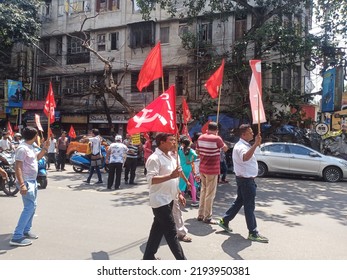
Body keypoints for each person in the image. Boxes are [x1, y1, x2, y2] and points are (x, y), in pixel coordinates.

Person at [218, 124, 269, 243]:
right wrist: (256, 144)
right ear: (243, 134)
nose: (252, 134)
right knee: (249, 206)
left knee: (239, 201)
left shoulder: (244, 145)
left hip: (245, 179)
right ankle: (253, 232)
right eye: (250, 132)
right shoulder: (240, 146)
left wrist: (255, 144)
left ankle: (225, 220)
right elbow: (245, 157)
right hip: (246, 180)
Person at [143, 132, 187, 260]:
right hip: (159, 200)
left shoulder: (171, 158)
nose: (175, 143)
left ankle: (148, 257)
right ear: (162, 142)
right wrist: (170, 176)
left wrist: (179, 193)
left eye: (175, 140)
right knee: (171, 232)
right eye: (172, 140)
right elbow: (151, 179)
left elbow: (174, 179)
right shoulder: (154, 158)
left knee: (157, 229)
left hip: (169, 198)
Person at [9, 126, 50, 246]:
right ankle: (17, 236)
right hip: (26, 181)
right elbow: (18, 167)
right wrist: (22, 184)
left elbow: (37, 158)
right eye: (37, 135)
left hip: (32, 180)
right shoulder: (22, 149)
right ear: (34, 136)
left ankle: (26, 230)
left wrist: (45, 148)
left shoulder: (30, 147)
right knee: (29, 208)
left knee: (33, 206)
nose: (37, 136)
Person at [196, 122, 228, 224]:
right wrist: (218, 138)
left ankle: (200, 214)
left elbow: (197, 151)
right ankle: (207, 217)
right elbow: (225, 148)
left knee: (203, 192)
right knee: (210, 194)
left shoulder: (200, 137)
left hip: (203, 168)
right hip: (212, 169)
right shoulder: (217, 138)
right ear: (216, 129)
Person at [178, 137, 198, 207]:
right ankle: (194, 200)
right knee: (192, 184)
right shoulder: (190, 150)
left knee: (182, 184)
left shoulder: (180, 150)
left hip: (182, 168)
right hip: (189, 168)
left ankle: (181, 200)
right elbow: (195, 155)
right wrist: (191, 161)